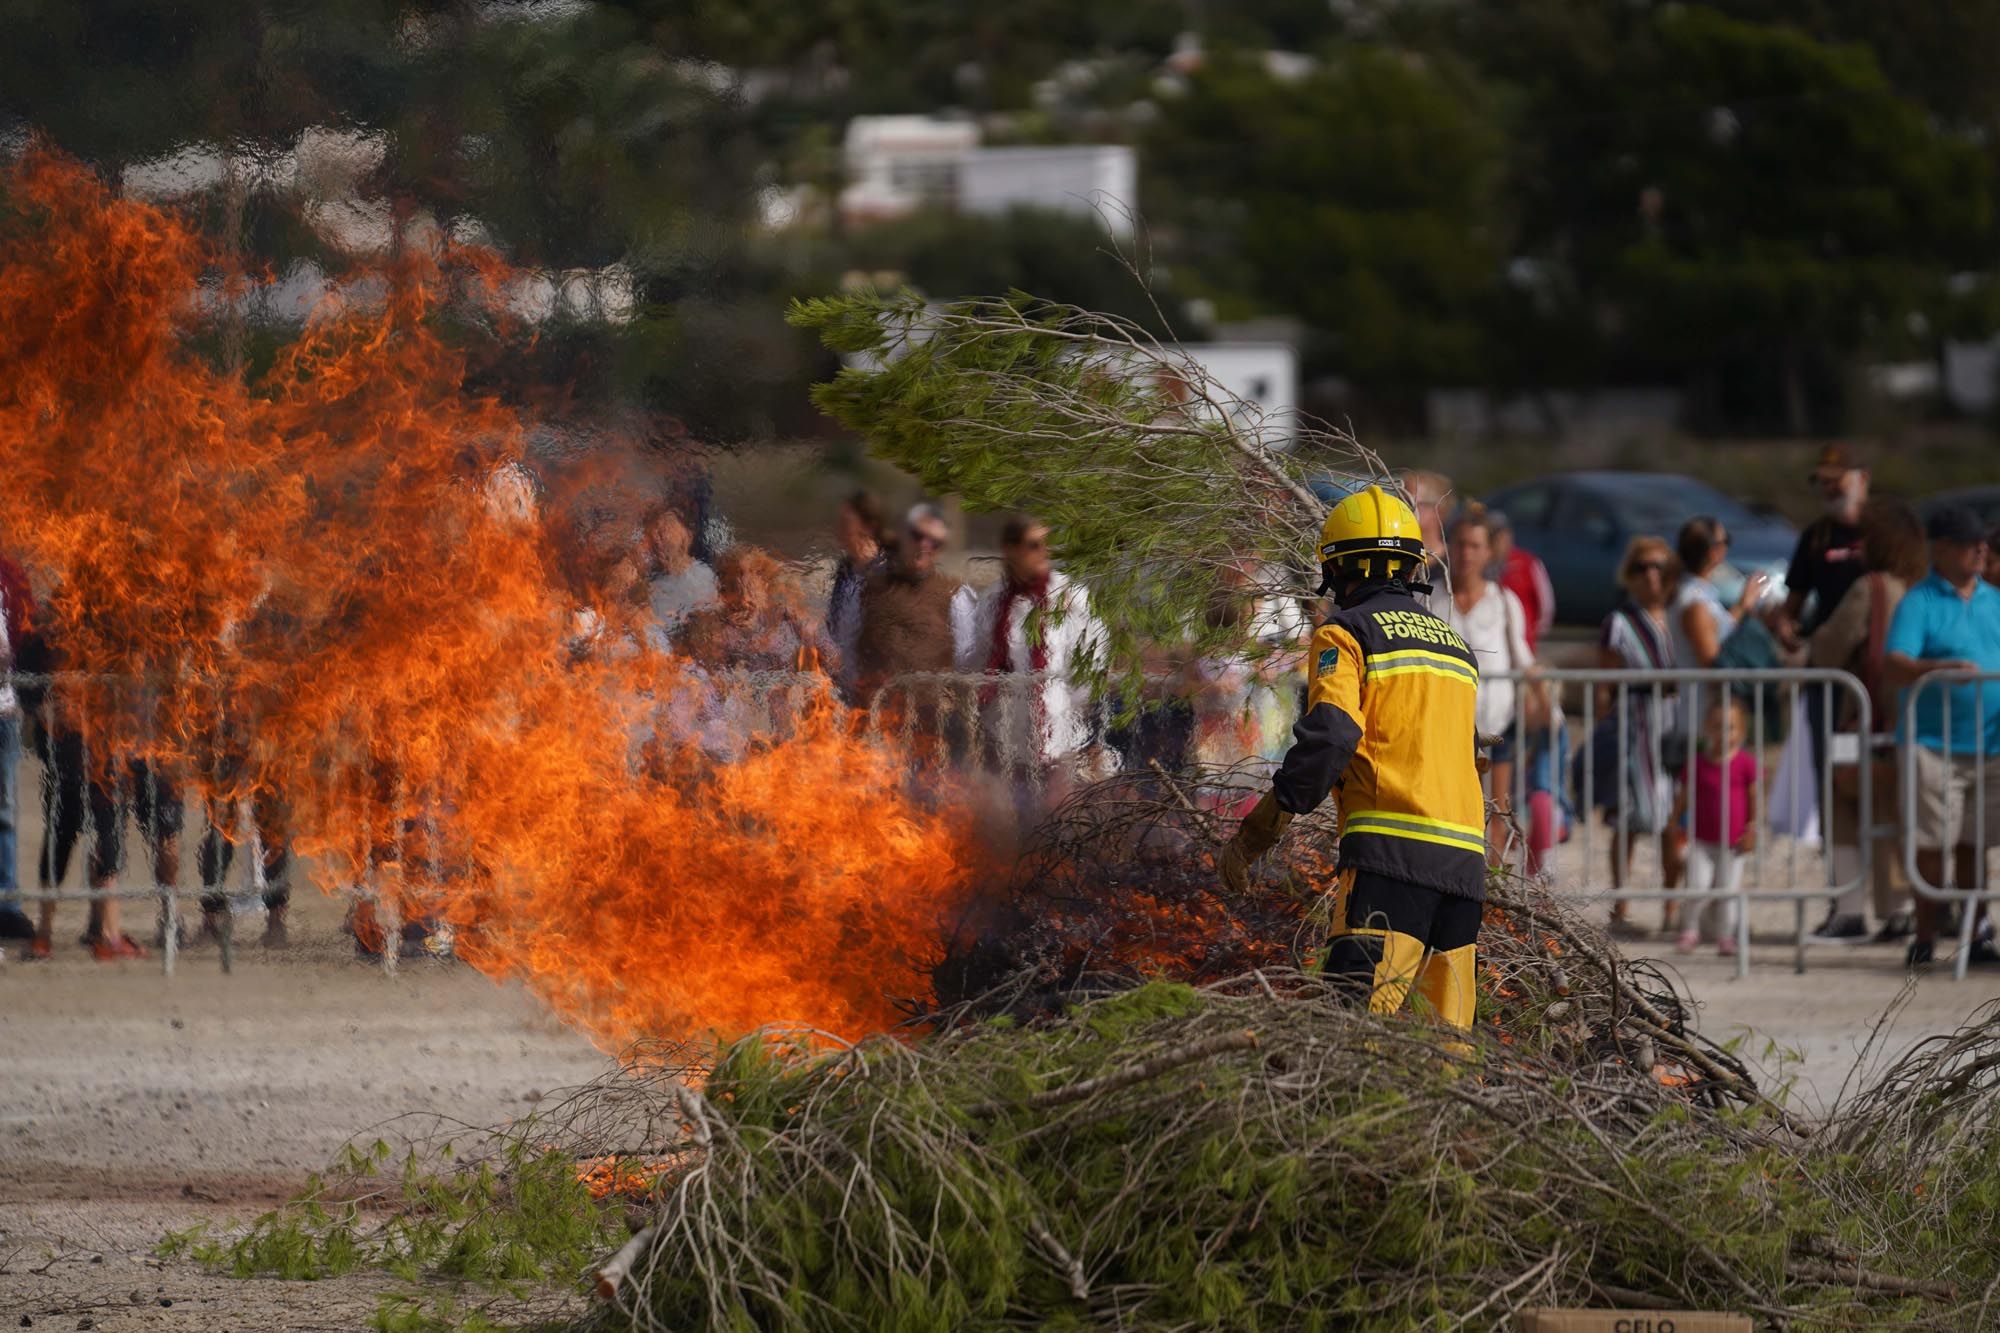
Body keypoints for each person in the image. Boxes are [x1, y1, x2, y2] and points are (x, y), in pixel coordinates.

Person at [1219, 485, 1485, 1037]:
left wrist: (1261, 828)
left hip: (1391, 863)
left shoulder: (1346, 633)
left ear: (1337, 568)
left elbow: (1332, 735)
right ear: (1411, 565)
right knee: (1449, 1045)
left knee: (1352, 1037)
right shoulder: (1454, 646)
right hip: (1464, 867)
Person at [1883, 505, 2000, 969]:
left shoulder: (1994, 598)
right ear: (1943, 549)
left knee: (1976, 842)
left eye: (1983, 543)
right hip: (1934, 744)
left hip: (1990, 745)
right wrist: (1938, 669)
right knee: (1932, 843)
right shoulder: (1919, 602)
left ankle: (1976, 934)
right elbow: (1894, 664)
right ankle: (1926, 935)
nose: (1981, 550)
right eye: (1972, 543)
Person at [1805, 498, 1925, 944]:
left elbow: (1829, 648)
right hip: (1913, 721)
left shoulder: (1871, 588)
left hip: (1864, 716)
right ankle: (1901, 909)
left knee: (1842, 806)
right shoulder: (1921, 588)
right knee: (1895, 814)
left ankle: (1849, 911)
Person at [960, 517, 1105, 818]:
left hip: (1059, 734)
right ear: (1010, 549)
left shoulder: (1069, 596)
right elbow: (976, 662)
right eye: (1034, 545)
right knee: (1008, 820)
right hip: (1007, 734)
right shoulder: (994, 601)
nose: (1045, 552)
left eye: (1047, 544)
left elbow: (1093, 661)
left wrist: (1068, 713)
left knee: (1057, 818)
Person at [1585, 536, 1686, 935]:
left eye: (1659, 566)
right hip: (1634, 723)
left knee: (1673, 819)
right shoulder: (1619, 622)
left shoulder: (1683, 615)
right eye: (1642, 567)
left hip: (1676, 722)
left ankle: (1673, 908)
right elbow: (1605, 687)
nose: (1651, 575)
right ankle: (1621, 908)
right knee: (1627, 818)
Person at [1429, 509, 1533, 857]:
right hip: (1444, 729)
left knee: (1496, 812)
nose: (1466, 553)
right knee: (1448, 812)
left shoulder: (1504, 602)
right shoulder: (1428, 598)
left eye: (1475, 545)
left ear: (1489, 551)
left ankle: (1494, 890)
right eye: (1459, 544)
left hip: (1497, 726)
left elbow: (1523, 659)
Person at [1670, 696, 1760, 957]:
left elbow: (1753, 797)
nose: (1723, 733)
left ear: (1741, 731)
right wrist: (1675, 820)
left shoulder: (1745, 763)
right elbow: (1685, 794)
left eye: (1729, 727)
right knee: (1697, 886)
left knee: (1727, 891)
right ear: (1707, 729)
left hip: (1733, 842)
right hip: (1701, 839)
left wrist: (1751, 828)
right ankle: (1690, 930)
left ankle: (1725, 936)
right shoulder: (1697, 762)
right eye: (1717, 726)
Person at [853, 503, 970, 703]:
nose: (925, 545)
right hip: (873, 713)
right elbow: (845, 646)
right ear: (901, 534)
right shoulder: (866, 587)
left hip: (930, 718)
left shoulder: (957, 595)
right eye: (917, 536)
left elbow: (969, 660)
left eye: (935, 542)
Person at [1779, 444, 1870, 645]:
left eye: (1835, 480)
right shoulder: (1816, 536)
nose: (1828, 488)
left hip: (1876, 646)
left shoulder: (1885, 529)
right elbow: (1793, 603)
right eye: (1822, 481)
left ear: (1862, 478)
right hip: (1831, 650)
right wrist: (1785, 628)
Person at [0, 551, 36, 944]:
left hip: (4, 712)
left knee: (5, 810)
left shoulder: (8, 572)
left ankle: (6, 906)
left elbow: (25, 629)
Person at [825, 490, 886, 694]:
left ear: (869, 526)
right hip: (843, 684)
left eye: (845, 523)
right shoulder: (845, 570)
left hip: (876, 689)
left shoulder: (888, 573)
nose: (837, 530)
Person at [642, 507, 718, 643]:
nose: (658, 542)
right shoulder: (652, 583)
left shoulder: (703, 575)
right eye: (653, 537)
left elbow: (709, 621)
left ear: (686, 537)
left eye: (664, 533)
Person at [1489, 509, 1555, 655]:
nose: (1498, 540)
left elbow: (1545, 605)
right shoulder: (1479, 564)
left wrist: (1532, 632)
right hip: (1493, 648)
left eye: (1501, 534)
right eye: (1492, 535)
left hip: (1524, 645)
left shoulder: (1528, 563)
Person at [1397, 468, 1454, 566]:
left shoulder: (1456, 563)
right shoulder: (1393, 557)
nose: (1400, 508)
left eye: (1409, 502)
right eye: (1399, 501)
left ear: (1438, 509)